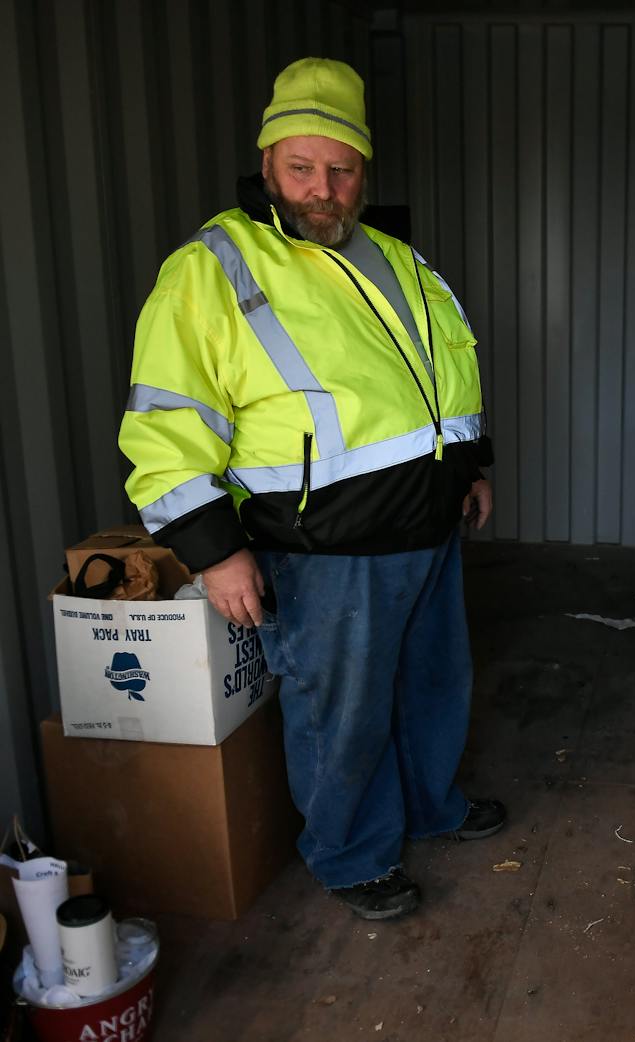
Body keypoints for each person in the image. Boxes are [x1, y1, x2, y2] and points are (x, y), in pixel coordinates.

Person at [118, 57, 504, 920]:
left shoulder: (397, 259)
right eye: (302, 168)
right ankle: (351, 853)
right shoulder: (214, 267)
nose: (321, 190)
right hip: (324, 547)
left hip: (428, 525)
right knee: (342, 710)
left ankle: (431, 806)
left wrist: (470, 469)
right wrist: (215, 553)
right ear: (267, 164)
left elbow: (444, 376)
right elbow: (166, 424)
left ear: (363, 171)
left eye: (340, 169)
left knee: (431, 684)